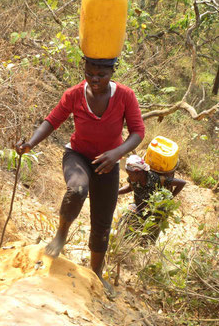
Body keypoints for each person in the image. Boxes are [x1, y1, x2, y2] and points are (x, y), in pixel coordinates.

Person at [16, 57, 145, 295]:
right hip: (78, 156)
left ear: (112, 72)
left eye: (101, 75)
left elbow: (138, 131)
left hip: (108, 163)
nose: (94, 80)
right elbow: (53, 120)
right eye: (89, 73)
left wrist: (116, 154)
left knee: (102, 222)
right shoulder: (74, 94)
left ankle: (96, 273)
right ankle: (61, 234)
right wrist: (30, 144)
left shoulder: (126, 96)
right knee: (76, 189)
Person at [118, 155, 186, 242]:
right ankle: (126, 245)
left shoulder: (155, 179)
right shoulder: (133, 178)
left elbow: (182, 183)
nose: (129, 176)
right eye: (128, 174)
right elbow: (130, 187)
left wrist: (171, 197)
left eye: (130, 174)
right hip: (139, 208)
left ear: (140, 172)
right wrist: (116, 192)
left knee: (148, 240)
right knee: (124, 221)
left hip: (155, 214)